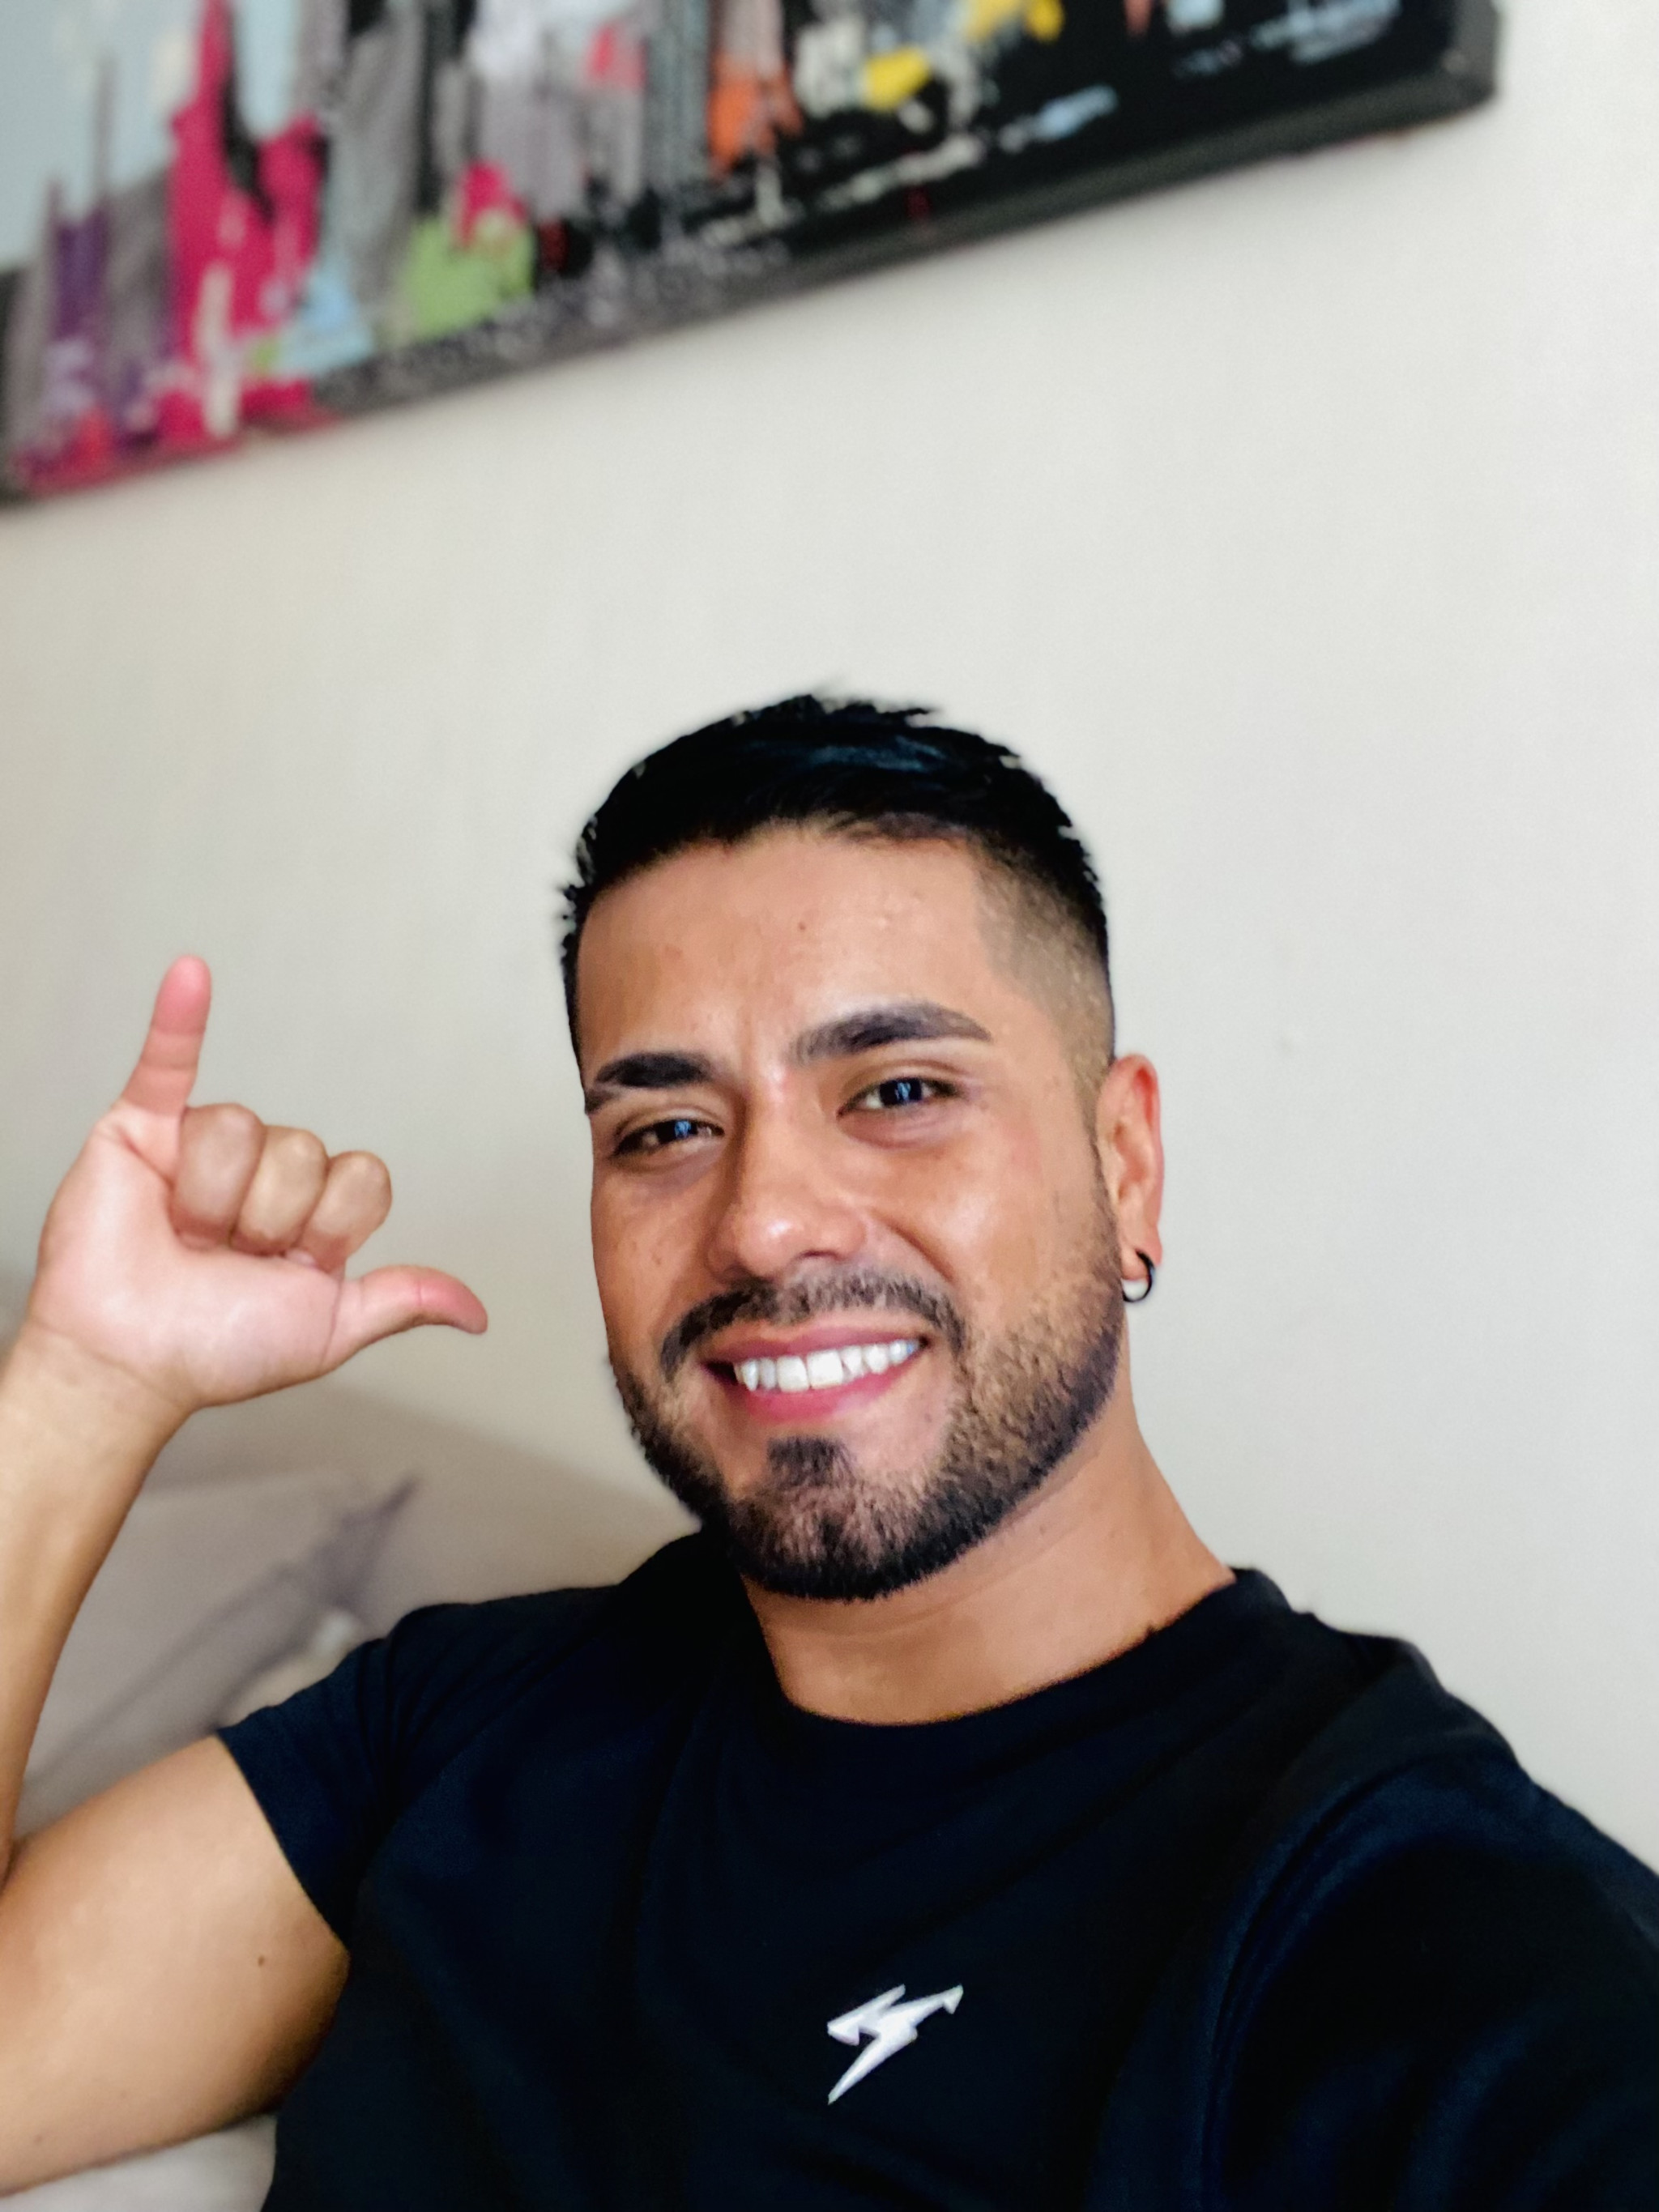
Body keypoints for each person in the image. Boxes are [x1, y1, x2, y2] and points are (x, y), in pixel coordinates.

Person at [0, 697, 1653, 2210]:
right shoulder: (462, 1727)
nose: (765, 1220)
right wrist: (83, 1386)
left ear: (1126, 1164)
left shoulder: (1427, 1938)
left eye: (900, 1089)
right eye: (664, 1128)